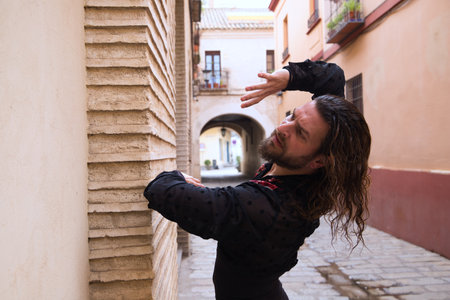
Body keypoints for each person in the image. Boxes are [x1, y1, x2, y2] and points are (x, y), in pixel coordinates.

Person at [144, 59, 371, 300]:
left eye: (300, 133)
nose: (284, 128)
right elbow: (333, 77)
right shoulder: (313, 164)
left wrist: (175, 176)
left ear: (320, 160)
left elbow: (162, 191)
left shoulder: (267, 209)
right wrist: (288, 76)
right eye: (292, 116)